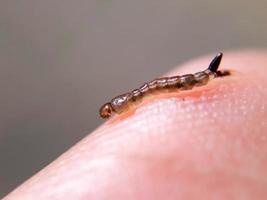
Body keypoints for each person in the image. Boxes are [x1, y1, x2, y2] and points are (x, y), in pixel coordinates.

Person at [4, 50, 267, 200]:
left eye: (110, 111)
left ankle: (209, 75)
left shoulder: (134, 101)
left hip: (174, 86)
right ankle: (209, 74)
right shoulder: (132, 102)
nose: (110, 114)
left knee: (165, 87)